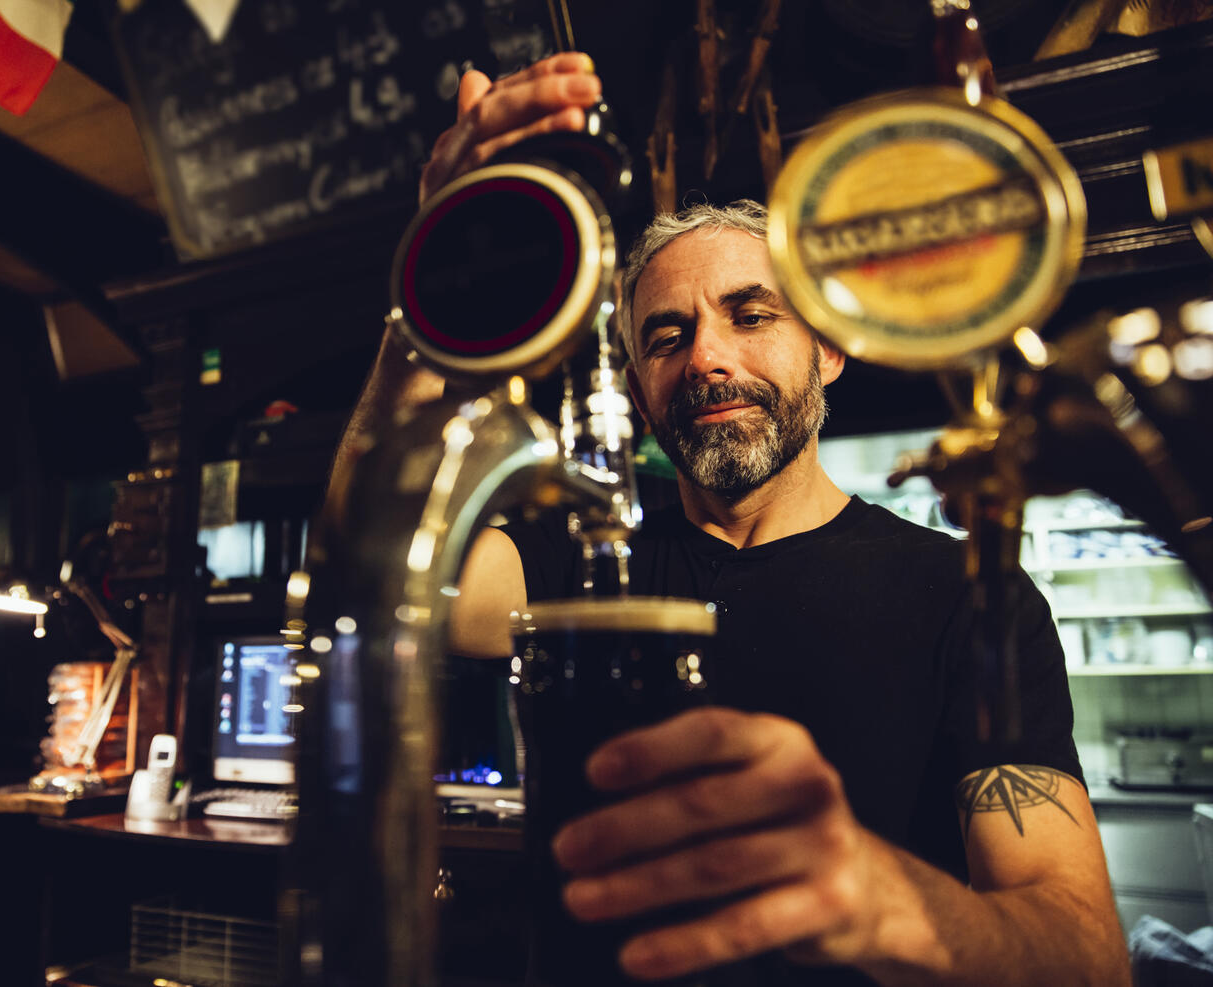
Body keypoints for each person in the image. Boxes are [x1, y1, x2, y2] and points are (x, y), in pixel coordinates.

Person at [331, 53, 1130, 985]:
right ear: (637, 385)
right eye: (666, 335)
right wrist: (435, 272)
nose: (707, 356)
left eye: (752, 314)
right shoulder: (585, 569)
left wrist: (880, 894)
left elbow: (1087, 959)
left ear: (828, 348)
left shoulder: (966, 599)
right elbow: (368, 565)